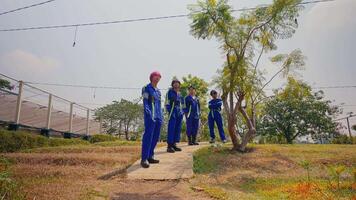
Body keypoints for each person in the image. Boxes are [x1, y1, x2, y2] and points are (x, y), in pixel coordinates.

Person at [140, 71, 163, 168]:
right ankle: (144, 158)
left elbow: (159, 104)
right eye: (155, 76)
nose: (157, 78)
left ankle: (150, 156)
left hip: (158, 116)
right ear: (151, 77)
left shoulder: (158, 91)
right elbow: (145, 101)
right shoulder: (146, 88)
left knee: (156, 137)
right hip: (150, 116)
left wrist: (161, 116)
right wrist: (148, 112)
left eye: (159, 77)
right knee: (148, 136)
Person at [165, 79, 184, 153]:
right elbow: (167, 102)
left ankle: (174, 144)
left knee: (177, 128)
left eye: (177, 83)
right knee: (171, 128)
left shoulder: (180, 94)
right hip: (172, 111)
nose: (176, 85)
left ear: (179, 85)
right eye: (175, 83)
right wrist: (170, 111)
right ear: (172, 85)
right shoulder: (169, 92)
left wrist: (182, 112)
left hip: (179, 112)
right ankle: (169, 146)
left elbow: (182, 104)